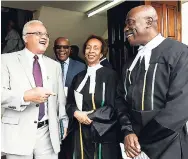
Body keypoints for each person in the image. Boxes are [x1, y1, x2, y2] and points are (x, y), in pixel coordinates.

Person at [116, 5, 188, 159]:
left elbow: (179, 107)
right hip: (134, 147)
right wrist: (128, 131)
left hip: (168, 144)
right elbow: (120, 100)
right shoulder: (130, 63)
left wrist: (141, 140)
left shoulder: (180, 53)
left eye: (130, 23)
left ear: (149, 22)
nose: (125, 29)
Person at [1, 20, 68, 159]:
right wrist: (25, 96)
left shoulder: (54, 66)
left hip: (48, 134)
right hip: (17, 134)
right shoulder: (6, 60)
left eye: (46, 34)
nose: (44, 37)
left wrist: (64, 121)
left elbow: (60, 99)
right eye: (38, 33)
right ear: (25, 37)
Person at [66, 35, 119, 159]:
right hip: (80, 131)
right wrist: (75, 113)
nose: (91, 51)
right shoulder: (78, 77)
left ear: (101, 53)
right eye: (88, 48)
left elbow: (113, 106)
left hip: (103, 130)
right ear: (84, 52)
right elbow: (69, 102)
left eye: (96, 48)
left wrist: (89, 116)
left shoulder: (111, 76)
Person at [53, 37, 86, 159]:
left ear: (70, 49)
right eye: (58, 47)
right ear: (54, 49)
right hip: (54, 112)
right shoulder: (49, 65)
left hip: (73, 113)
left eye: (65, 47)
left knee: (71, 148)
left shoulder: (81, 66)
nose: (62, 50)